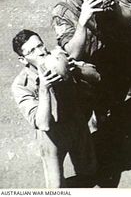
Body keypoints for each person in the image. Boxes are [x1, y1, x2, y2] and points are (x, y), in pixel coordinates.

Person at [11, 29, 100, 187]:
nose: (40, 52)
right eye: (32, 51)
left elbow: (96, 76)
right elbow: (43, 124)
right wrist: (44, 88)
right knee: (56, 187)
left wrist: (76, 69)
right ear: (23, 60)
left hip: (76, 123)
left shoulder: (60, 57)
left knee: (89, 171)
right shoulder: (21, 85)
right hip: (51, 137)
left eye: (40, 45)